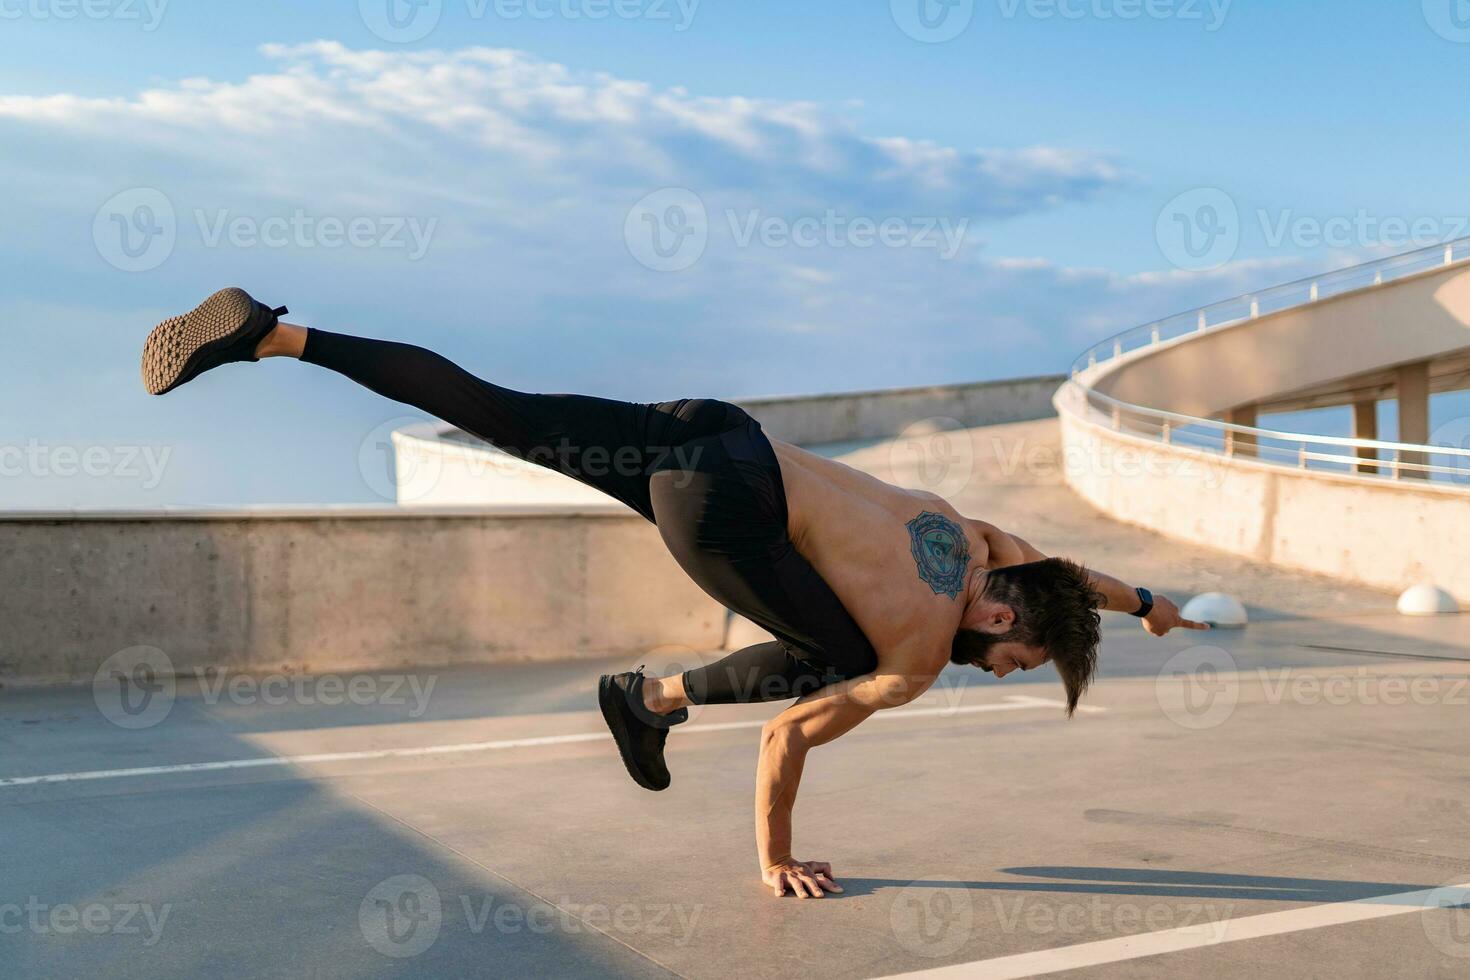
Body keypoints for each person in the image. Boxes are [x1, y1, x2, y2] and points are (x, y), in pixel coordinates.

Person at [141, 287, 1209, 899]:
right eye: (1015, 659)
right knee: (846, 659)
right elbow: (786, 740)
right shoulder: (922, 652)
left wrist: (1148, 598)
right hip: (722, 504)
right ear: (998, 612)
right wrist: (775, 857)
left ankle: (277, 335)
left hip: (712, 429)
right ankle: (648, 700)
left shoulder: (970, 531)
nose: (997, 669)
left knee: (491, 405)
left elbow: (1075, 578)